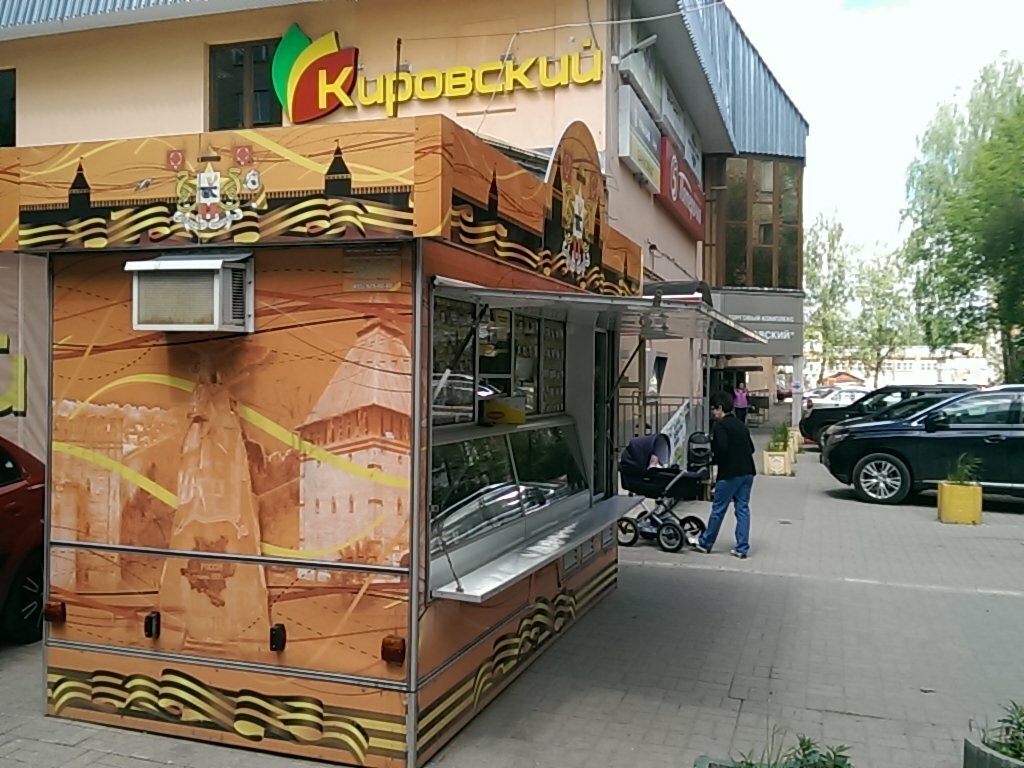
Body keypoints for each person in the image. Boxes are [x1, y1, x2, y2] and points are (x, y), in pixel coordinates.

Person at [689, 390, 756, 559]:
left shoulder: (720, 426)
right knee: (742, 509)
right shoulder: (740, 424)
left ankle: (705, 543)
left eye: (714, 408)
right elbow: (752, 448)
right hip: (748, 472)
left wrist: (713, 460)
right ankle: (742, 548)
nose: (713, 412)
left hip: (729, 474)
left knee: (719, 508)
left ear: (720, 408)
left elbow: (722, 449)